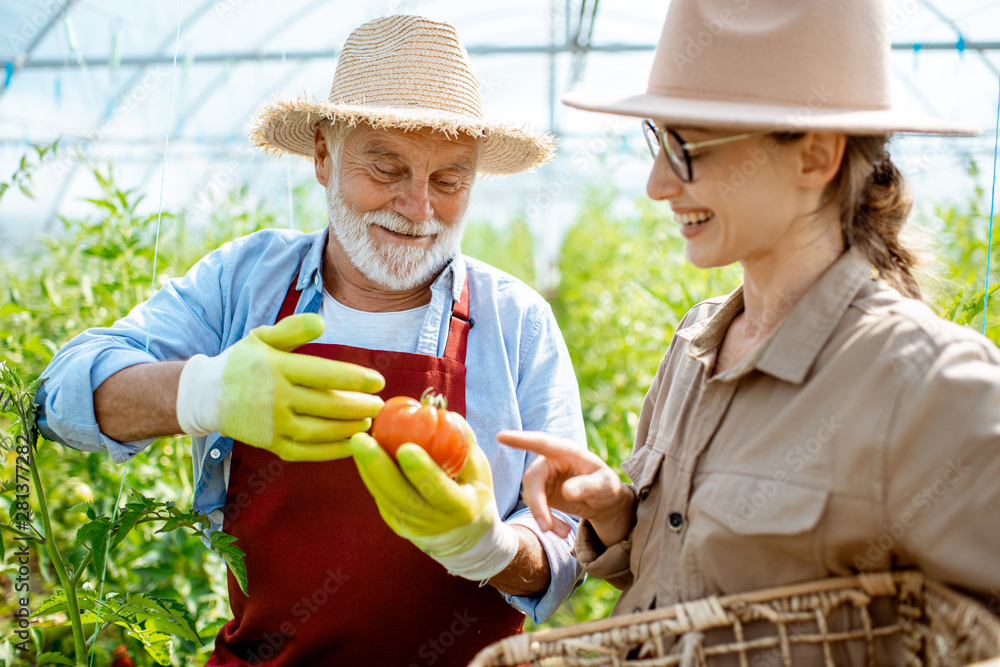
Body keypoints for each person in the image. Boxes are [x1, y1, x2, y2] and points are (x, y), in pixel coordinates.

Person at [36, 15, 585, 666]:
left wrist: (488, 548)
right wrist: (202, 391)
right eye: (387, 167)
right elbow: (61, 395)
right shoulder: (245, 283)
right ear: (324, 154)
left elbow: (568, 547)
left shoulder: (515, 322)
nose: (418, 208)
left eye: (448, 180)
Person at [499, 0, 996, 662]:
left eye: (687, 146)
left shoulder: (925, 381)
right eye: (657, 139)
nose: (655, 184)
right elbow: (681, 577)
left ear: (815, 156)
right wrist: (619, 512)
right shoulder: (696, 343)